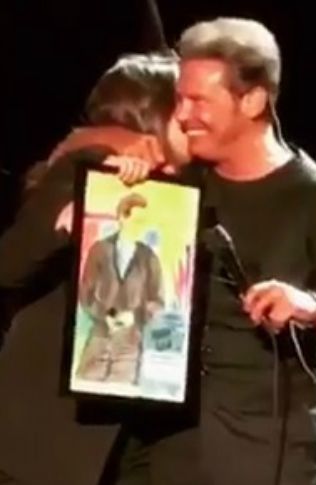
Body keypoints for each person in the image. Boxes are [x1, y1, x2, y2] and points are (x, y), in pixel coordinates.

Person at [98, 17, 316, 485]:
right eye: (180, 99)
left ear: (253, 100)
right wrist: (117, 189)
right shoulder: (180, 182)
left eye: (199, 101)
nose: (182, 115)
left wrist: (310, 305)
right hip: (166, 450)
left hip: (266, 454)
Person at [0, 53, 189, 485]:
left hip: (130, 425)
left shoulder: (184, 190)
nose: (194, 121)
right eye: (183, 110)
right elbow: (9, 265)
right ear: (154, 117)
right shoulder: (88, 169)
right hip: (46, 429)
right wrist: (75, 215)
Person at [76, 192, 164, 384]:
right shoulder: (100, 249)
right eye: (137, 220)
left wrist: (134, 316)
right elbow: (85, 294)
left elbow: (158, 300)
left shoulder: (149, 258)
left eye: (144, 222)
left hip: (129, 347)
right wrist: (108, 316)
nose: (141, 226)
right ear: (122, 218)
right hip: (99, 339)